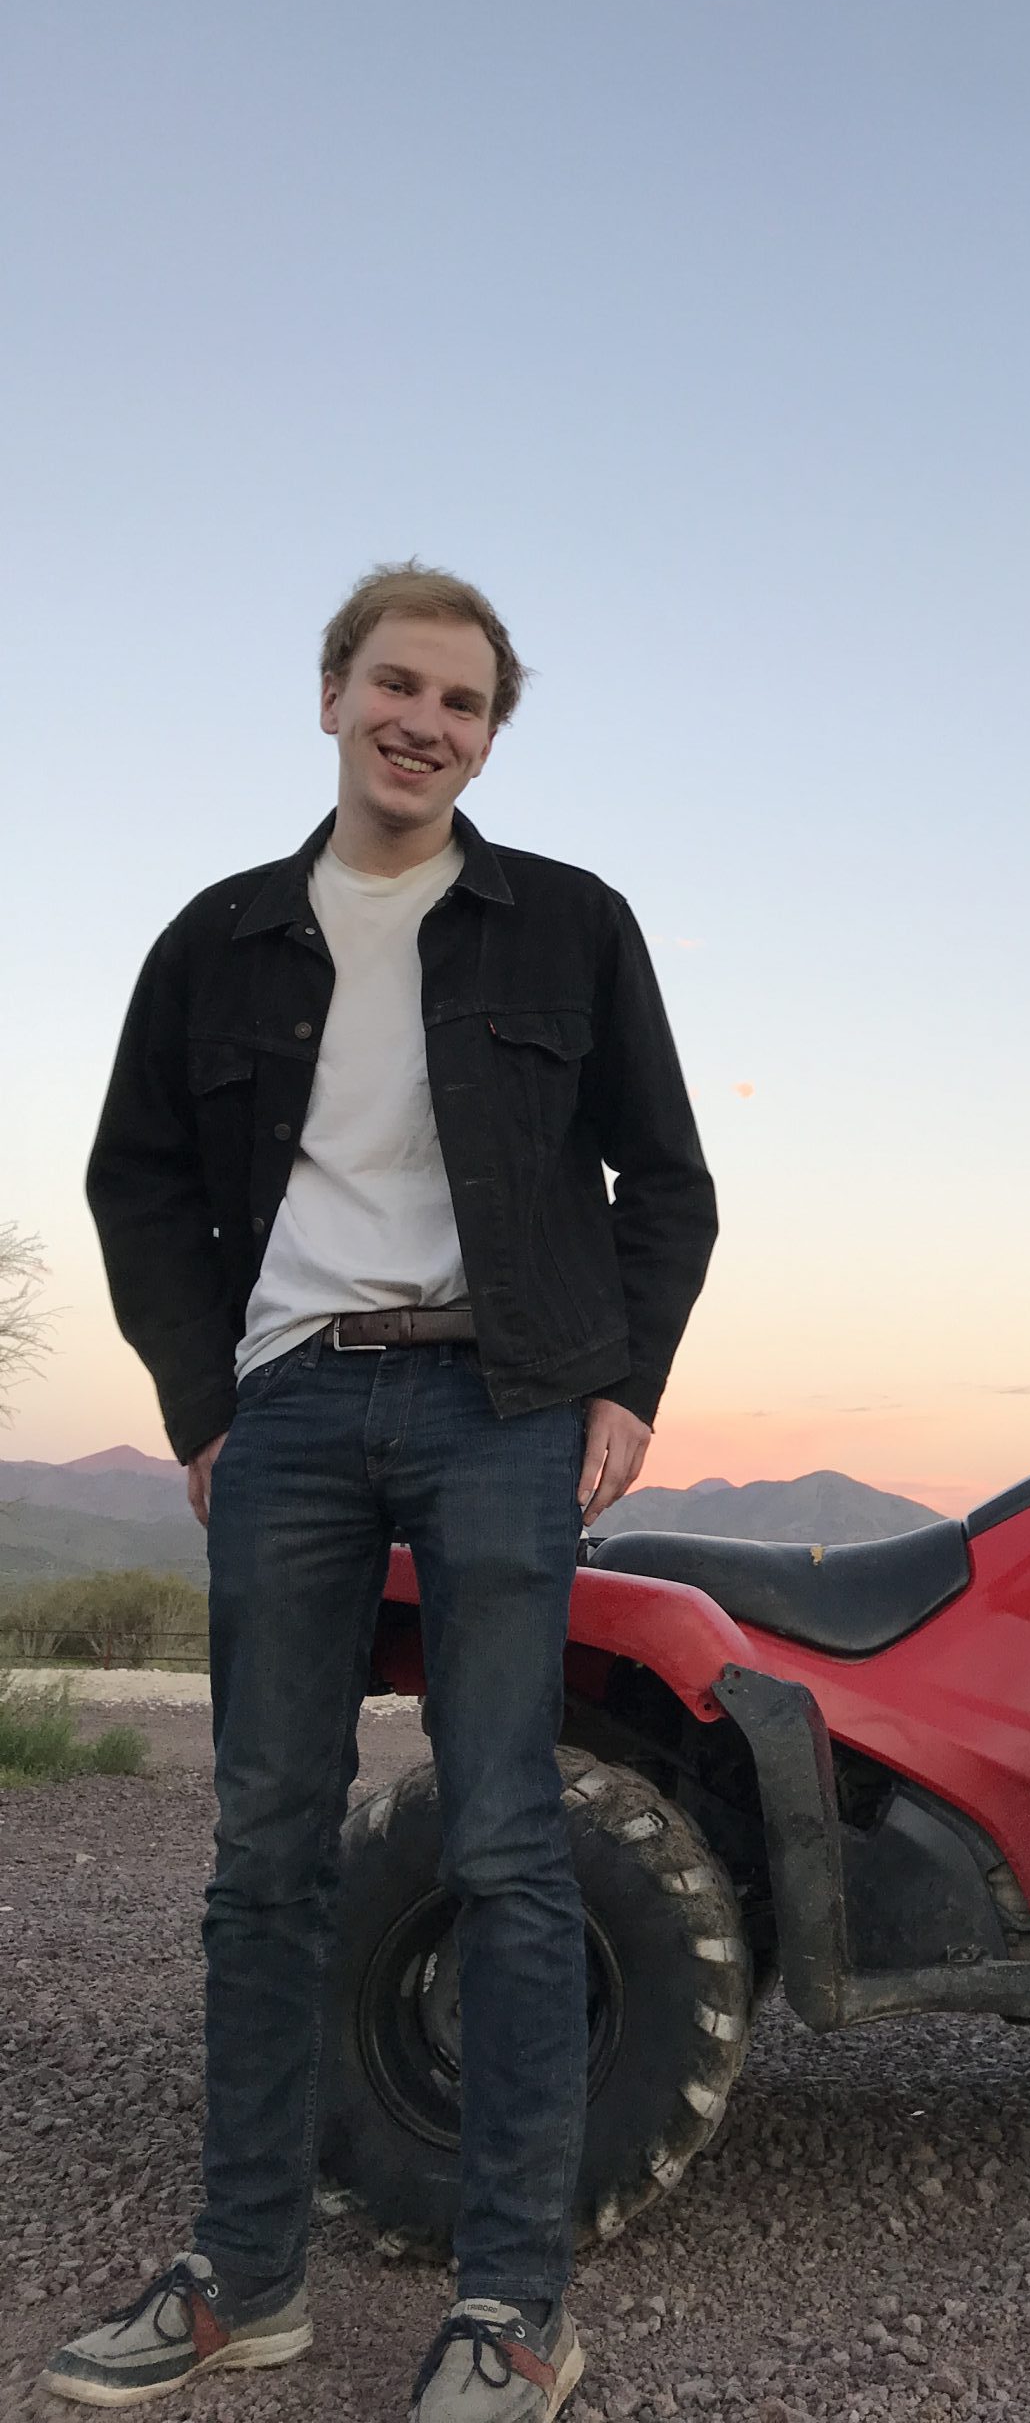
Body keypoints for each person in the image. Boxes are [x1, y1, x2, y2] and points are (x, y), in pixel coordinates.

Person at [49, 562, 717, 2420]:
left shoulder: (570, 927)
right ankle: (242, 2278)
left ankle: (513, 2308)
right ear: (331, 696)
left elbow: (667, 1183)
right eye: (397, 686)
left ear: (492, 735)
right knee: (264, 1854)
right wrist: (204, 1396)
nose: (427, 723)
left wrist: (623, 1386)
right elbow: (135, 1181)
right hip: (290, 1415)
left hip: (503, 1411)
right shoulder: (221, 939)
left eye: (466, 703)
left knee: (506, 1847)